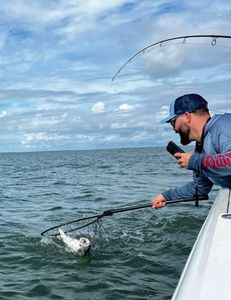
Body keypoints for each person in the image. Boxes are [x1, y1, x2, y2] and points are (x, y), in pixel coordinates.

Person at [152, 93, 231, 209]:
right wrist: (166, 196)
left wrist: (196, 161)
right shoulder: (201, 147)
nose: (173, 129)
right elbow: (199, 189)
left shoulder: (224, 125)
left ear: (187, 116)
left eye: (173, 122)